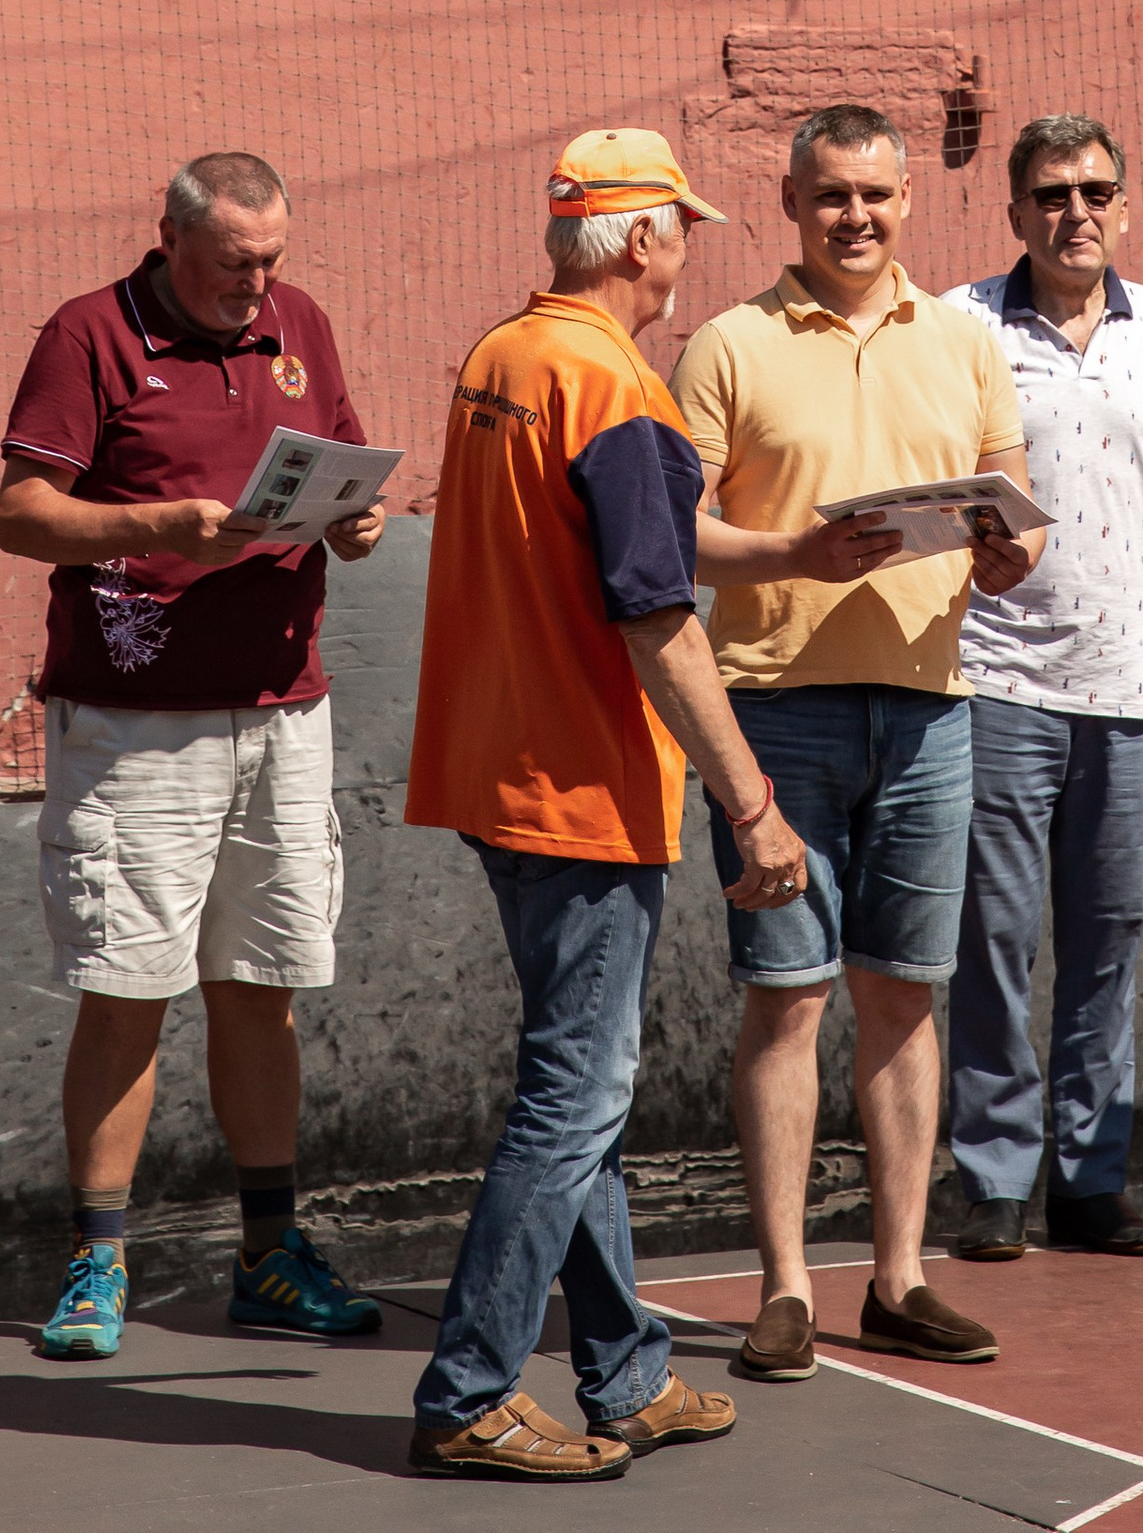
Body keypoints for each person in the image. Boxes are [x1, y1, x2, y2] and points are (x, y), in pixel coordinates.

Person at [405, 127, 807, 1482]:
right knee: (575, 1097)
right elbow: (655, 613)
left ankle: (626, 1373)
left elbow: (617, 538)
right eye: (680, 228)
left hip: (498, 771)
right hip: (581, 785)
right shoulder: (618, 387)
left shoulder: (505, 359)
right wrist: (752, 803)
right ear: (643, 241)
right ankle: (469, 1391)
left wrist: (794, 547)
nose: (685, 251)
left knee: (588, 1088)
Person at [672, 100, 1046, 1387]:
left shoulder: (963, 340)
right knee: (787, 1000)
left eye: (877, 196)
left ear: (906, 202)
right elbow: (678, 538)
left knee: (902, 996)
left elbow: (1019, 515)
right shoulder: (726, 344)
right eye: (831, 195)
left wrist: (1010, 549)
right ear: (790, 203)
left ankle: (898, 1278)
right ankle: (782, 1287)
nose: (856, 217)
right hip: (773, 712)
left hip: (934, 713)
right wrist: (797, 554)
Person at [0, 151, 389, 1360]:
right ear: (168, 237)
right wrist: (156, 527)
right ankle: (97, 1263)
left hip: (283, 712)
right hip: (133, 725)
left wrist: (358, 519)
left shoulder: (299, 324)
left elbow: (344, 460)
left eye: (271, 262)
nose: (257, 287)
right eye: (233, 265)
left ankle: (270, 1254)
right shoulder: (87, 336)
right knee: (127, 991)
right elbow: (21, 513)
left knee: (260, 992)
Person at [941, 113, 1143, 1262]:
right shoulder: (958, 325)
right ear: (1016, 211)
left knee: (1107, 934)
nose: (1077, 212)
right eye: (1053, 193)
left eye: (1096, 192)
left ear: (1124, 205)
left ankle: (1090, 1179)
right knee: (994, 933)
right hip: (993, 679)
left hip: (1127, 684)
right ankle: (993, 1179)